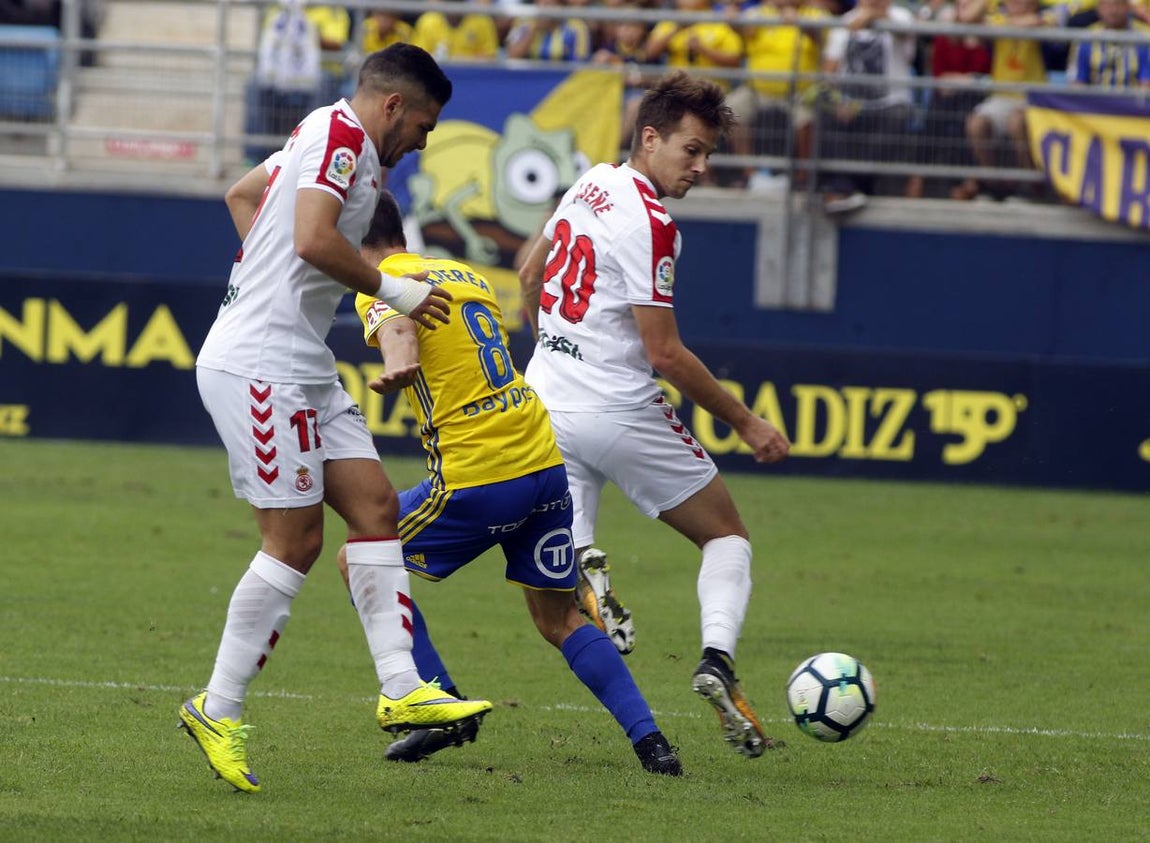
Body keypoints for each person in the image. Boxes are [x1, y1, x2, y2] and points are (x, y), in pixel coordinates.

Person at [179, 43, 492, 794]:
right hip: (260, 363)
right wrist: (397, 290)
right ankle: (216, 706)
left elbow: (242, 194)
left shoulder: (320, 132)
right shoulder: (345, 138)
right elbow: (313, 238)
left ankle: (401, 686)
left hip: (302, 361)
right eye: (424, 124)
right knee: (295, 542)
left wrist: (264, 277)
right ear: (394, 107)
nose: (425, 140)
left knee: (378, 507)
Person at [334, 190, 682, 776]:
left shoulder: (381, 280)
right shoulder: (463, 271)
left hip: (478, 475)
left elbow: (397, 329)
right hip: (542, 464)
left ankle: (440, 705)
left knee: (357, 559)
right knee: (560, 619)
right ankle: (653, 744)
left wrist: (399, 359)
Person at [518, 70, 792, 759]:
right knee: (727, 537)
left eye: (707, 156)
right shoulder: (652, 223)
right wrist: (748, 423)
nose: (699, 168)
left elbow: (528, 273)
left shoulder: (589, 183)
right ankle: (717, 660)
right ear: (650, 137)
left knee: (559, 601)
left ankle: (588, 568)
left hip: (546, 399)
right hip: (617, 409)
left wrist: (550, 342)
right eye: (691, 151)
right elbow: (664, 354)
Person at [1067, 0, 1150, 87]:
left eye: (1118, 5)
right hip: (1094, 99)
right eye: (1107, 5)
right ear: (1098, 8)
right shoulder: (1086, 38)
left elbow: (1146, 85)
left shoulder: (1145, 37)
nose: (1113, 11)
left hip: (1132, 99)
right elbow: (1077, 83)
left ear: (1128, 7)